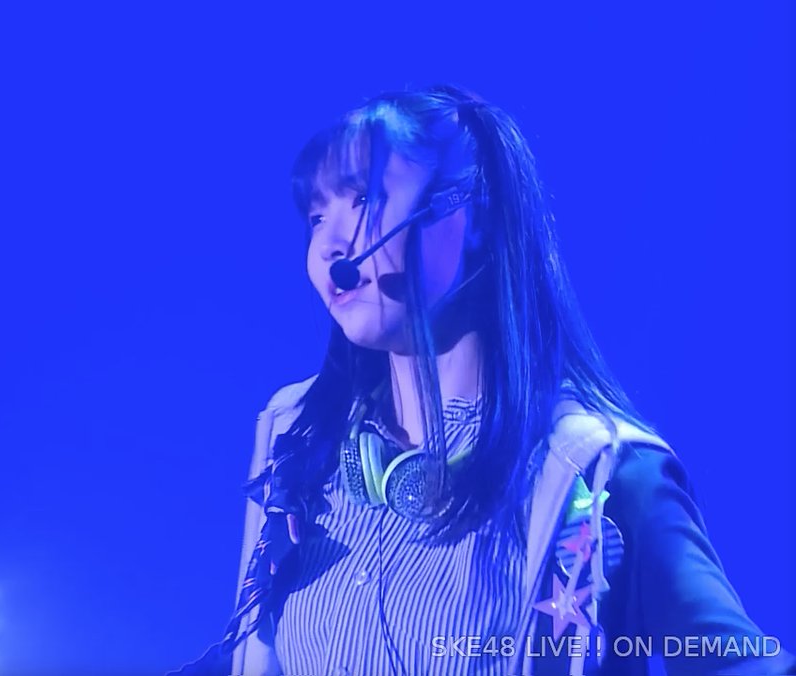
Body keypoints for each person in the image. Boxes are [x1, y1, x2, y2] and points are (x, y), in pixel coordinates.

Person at [172, 85, 794, 675]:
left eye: (363, 201)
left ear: (473, 218)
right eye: (315, 216)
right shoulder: (297, 445)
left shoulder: (597, 470)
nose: (331, 243)